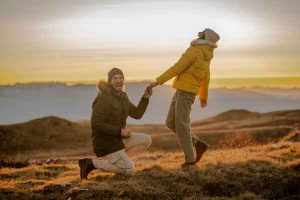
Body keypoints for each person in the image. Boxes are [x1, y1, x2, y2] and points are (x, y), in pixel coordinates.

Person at [148, 28, 220, 167]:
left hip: (186, 92)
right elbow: (206, 76)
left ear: (205, 37)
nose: (198, 34)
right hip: (183, 91)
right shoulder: (206, 53)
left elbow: (177, 68)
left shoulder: (195, 50)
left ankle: (190, 161)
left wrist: (158, 81)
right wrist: (203, 96)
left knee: (182, 125)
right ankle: (198, 144)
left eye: (202, 33)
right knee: (170, 122)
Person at [79, 68, 153, 179]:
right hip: (106, 143)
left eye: (121, 77)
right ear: (110, 81)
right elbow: (96, 124)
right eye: (115, 78)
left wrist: (145, 99)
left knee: (146, 140)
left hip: (119, 140)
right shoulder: (102, 99)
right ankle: (90, 164)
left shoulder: (122, 96)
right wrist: (119, 131)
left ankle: (120, 162)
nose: (119, 80)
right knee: (130, 170)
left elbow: (137, 114)